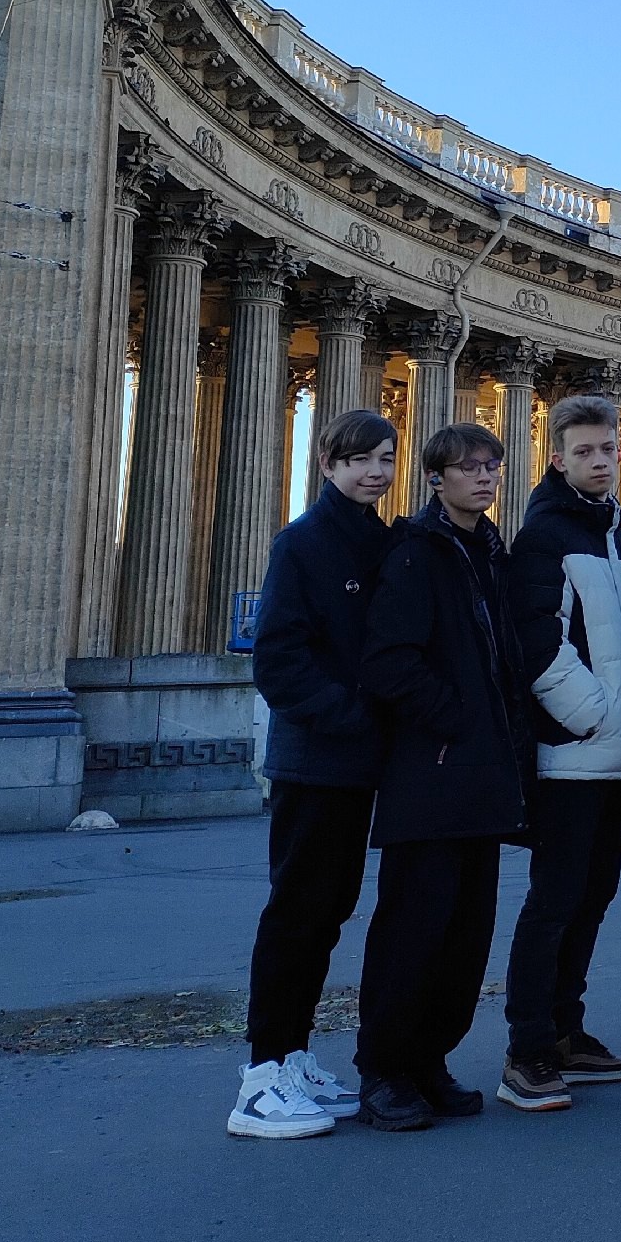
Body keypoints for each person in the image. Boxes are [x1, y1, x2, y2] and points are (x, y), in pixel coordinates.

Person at [229, 408, 399, 1139]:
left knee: (325, 915)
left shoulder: (381, 543)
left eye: (386, 459)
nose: (375, 472)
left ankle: (292, 1058)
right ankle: (262, 1079)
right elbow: (278, 659)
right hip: (314, 759)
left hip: (353, 764)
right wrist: (354, 715)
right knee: (296, 914)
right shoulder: (302, 543)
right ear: (328, 465)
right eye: (359, 459)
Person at [353, 422, 525, 1132]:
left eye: (492, 467)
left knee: (466, 935)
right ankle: (384, 1071)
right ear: (435, 479)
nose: (485, 478)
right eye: (469, 468)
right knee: (411, 932)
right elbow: (389, 662)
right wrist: (455, 720)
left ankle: (429, 1061)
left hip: (480, 777)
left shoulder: (488, 553)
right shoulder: (417, 554)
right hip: (432, 777)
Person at [498, 394, 621, 1112]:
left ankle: (567, 1031)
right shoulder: (541, 538)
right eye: (586, 451)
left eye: (609, 450)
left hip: (619, 757)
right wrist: (595, 719)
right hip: (572, 756)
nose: (601, 462)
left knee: (593, 899)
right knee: (555, 901)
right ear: (557, 458)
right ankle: (525, 1050)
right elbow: (535, 644)